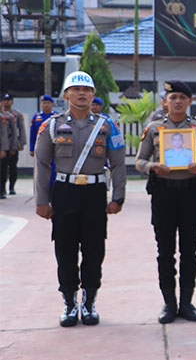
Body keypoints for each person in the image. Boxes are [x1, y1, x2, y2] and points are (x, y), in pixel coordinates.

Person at [34, 71, 127, 327]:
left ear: (93, 95)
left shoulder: (107, 126)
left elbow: (118, 164)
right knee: (64, 248)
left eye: (86, 90)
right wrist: (42, 200)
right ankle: (68, 302)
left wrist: (118, 196)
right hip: (64, 193)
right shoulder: (51, 125)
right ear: (66, 95)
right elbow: (41, 163)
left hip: (95, 194)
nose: (82, 93)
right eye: (75, 89)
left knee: (94, 249)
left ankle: (88, 302)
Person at [136, 80, 196, 324]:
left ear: (190, 101)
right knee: (165, 251)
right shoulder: (153, 129)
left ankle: (187, 302)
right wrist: (152, 166)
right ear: (165, 102)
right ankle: (169, 303)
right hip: (163, 194)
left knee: (189, 251)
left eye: (182, 97)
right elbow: (139, 161)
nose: (178, 101)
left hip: (190, 193)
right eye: (173, 98)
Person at [1, 94, 25, 196]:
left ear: (12, 102)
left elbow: (20, 129)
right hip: (3, 144)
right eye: (4, 100)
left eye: (8, 100)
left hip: (11, 144)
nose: (6, 102)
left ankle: (11, 187)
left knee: (12, 167)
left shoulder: (16, 114)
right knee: (2, 168)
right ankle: (2, 188)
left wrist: (20, 143)